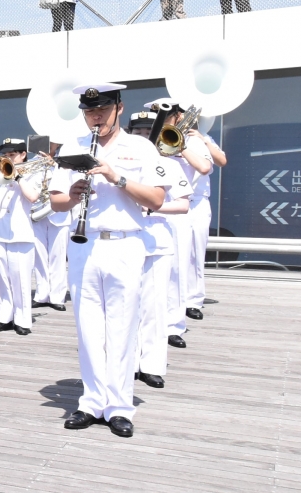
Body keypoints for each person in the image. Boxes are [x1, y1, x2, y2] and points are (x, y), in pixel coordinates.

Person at [48, 83, 168, 439]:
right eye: (89, 112)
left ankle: (118, 406)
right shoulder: (74, 147)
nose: (95, 117)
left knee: (121, 328)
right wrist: (72, 197)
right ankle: (91, 402)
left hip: (124, 243)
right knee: (88, 329)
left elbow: (157, 199)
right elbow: (55, 201)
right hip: (84, 243)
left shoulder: (141, 147)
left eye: (101, 110)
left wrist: (117, 177)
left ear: (119, 108)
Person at [127, 110, 192, 389]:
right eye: (139, 132)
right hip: (124, 240)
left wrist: (154, 207)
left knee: (154, 306)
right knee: (126, 306)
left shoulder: (168, 164)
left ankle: (151, 365)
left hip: (157, 240)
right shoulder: (120, 165)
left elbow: (184, 204)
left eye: (148, 131)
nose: (145, 136)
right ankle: (128, 363)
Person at [146, 99, 216, 340]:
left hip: (183, 205)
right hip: (153, 207)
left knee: (180, 266)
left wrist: (179, 145)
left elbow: (205, 167)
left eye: (165, 116)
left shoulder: (193, 140)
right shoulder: (146, 139)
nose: (160, 120)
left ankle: (177, 320)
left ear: (177, 116)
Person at [0, 139, 42, 335]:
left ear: (23, 155)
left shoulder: (33, 174)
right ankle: (5, 316)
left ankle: (23, 320)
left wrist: (17, 177)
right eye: (5, 155)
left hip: (20, 233)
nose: (8, 159)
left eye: (12, 155)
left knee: (20, 280)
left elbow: (33, 197)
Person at [32, 140, 70, 312]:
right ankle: (42, 294)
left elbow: (72, 179)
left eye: (52, 142)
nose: (48, 144)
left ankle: (57, 296)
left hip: (59, 213)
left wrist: (54, 165)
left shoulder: (66, 159)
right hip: (38, 211)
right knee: (39, 256)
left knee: (58, 256)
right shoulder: (33, 161)